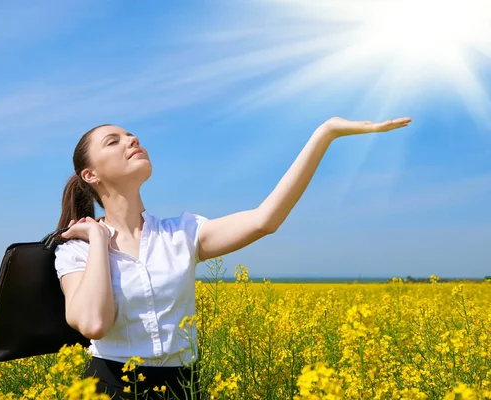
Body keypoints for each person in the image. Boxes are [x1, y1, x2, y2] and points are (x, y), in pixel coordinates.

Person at [53, 117, 411, 399]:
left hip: (182, 388)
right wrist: (99, 240)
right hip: (106, 389)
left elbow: (264, 220)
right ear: (91, 175)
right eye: (113, 141)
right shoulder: (76, 248)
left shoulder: (182, 232)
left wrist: (325, 133)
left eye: (132, 135)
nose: (132, 140)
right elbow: (93, 324)